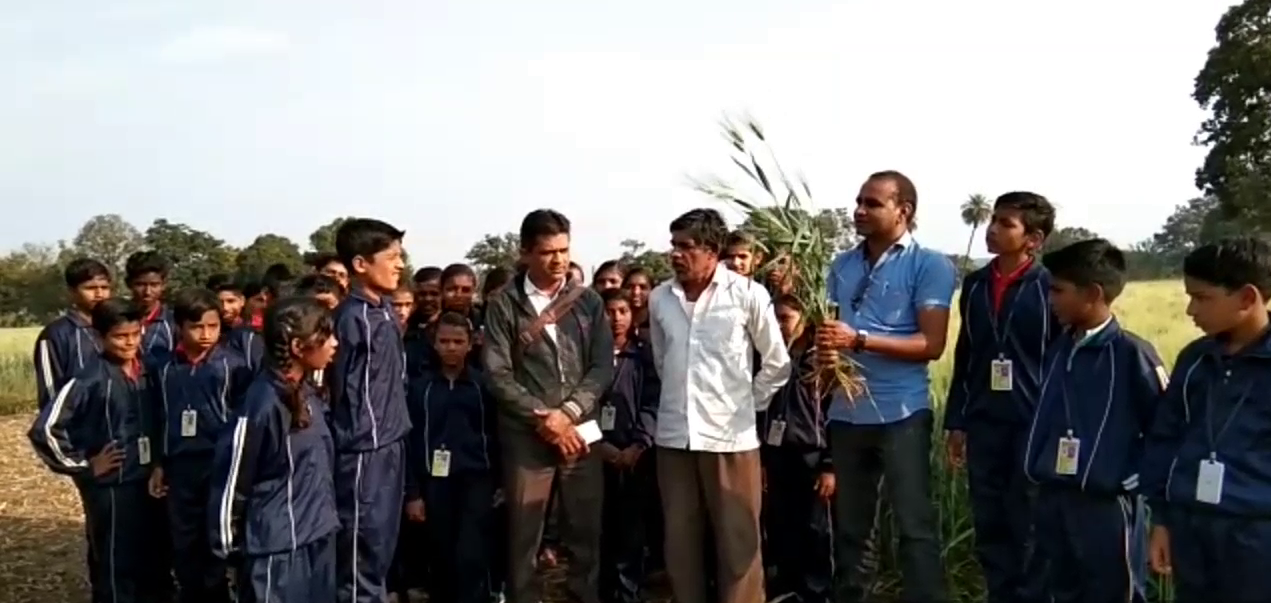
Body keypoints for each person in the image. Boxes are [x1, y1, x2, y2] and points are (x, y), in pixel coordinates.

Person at [816, 171, 956, 603]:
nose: (859, 210)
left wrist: (858, 340)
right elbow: (829, 329)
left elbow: (931, 344)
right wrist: (824, 352)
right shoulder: (841, 265)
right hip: (846, 413)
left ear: (904, 211)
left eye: (872, 203)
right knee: (853, 530)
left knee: (914, 526)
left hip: (902, 413)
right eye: (858, 201)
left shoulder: (930, 265)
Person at [648, 208, 791, 603]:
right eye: (673, 245)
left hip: (731, 441)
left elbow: (777, 363)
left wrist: (746, 403)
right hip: (675, 439)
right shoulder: (660, 298)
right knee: (680, 543)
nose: (676, 254)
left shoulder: (747, 294)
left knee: (738, 545)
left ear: (712, 251)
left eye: (686, 247)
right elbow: (663, 361)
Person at [482, 209, 614, 603]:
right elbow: (497, 374)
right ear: (525, 253)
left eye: (564, 250)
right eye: (547, 252)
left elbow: (602, 365)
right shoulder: (504, 304)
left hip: (580, 434)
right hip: (526, 436)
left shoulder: (588, 302)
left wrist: (569, 414)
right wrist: (543, 417)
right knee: (524, 538)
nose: (558, 260)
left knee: (585, 534)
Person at [1022, 239, 1162, 603]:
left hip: (1106, 503)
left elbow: (1164, 427)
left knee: (1116, 592)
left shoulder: (1132, 354)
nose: (1050, 299)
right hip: (1054, 495)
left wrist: (1130, 476)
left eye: (1058, 291)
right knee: (1061, 590)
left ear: (1094, 293)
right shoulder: (1058, 349)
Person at [942, 191, 1056, 603]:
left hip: (1034, 424)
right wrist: (956, 420)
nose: (992, 229)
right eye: (993, 220)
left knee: (1027, 525)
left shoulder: (1050, 288)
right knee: (989, 524)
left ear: (1034, 239)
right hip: (984, 421)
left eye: (1006, 223)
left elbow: (1060, 360)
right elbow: (965, 355)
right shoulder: (974, 285)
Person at [1143, 237, 1271, 601]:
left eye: (1202, 298)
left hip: (1257, 537)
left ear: (1247, 298)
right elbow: (1166, 437)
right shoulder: (1195, 359)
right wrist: (1163, 521)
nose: (1190, 310)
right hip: (1192, 530)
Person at [28, 298, 166, 603]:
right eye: (120, 336)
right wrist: (84, 466)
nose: (130, 342)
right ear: (99, 337)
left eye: (135, 333)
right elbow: (45, 429)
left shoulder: (151, 369)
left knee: (154, 563)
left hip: (150, 483)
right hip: (112, 488)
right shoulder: (88, 377)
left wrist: (158, 462)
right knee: (116, 564)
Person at [208, 297, 341, 602]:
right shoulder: (261, 404)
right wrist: (229, 552)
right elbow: (231, 483)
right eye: (325, 335)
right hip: (277, 551)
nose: (334, 343)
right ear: (297, 346)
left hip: (317, 536)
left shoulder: (308, 395)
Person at [149, 288, 254, 603]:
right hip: (179, 468)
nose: (206, 334)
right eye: (197, 327)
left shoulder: (233, 367)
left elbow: (245, 421)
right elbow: (156, 417)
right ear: (179, 326)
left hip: (220, 466)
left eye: (213, 326)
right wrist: (157, 464)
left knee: (218, 539)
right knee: (184, 541)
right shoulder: (163, 368)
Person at [329, 218, 413, 603]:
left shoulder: (383, 313)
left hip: (392, 443)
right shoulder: (352, 318)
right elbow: (338, 391)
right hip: (364, 452)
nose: (399, 265)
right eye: (391, 257)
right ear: (360, 264)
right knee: (359, 552)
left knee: (380, 549)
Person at [404, 312, 499, 603]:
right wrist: (414, 493)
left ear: (471, 344)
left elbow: (497, 436)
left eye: (458, 341)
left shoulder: (484, 387)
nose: (451, 348)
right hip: (435, 481)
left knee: (471, 554)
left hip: (476, 479)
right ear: (434, 344)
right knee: (441, 554)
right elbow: (410, 441)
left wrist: (501, 482)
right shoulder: (421, 388)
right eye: (444, 341)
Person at [760, 294, 834, 603]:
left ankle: (816, 592)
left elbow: (835, 414)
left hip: (811, 455)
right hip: (777, 454)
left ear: (804, 320)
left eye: (785, 318)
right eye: (774, 319)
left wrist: (830, 465)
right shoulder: (768, 358)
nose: (779, 325)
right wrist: (762, 459)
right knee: (781, 524)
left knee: (815, 528)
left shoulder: (823, 362)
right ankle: (788, 589)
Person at [594, 289, 660, 603]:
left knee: (632, 530)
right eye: (609, 311)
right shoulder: (588, 355)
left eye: (622, 311)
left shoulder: (644, 354)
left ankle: (628, 592)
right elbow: (579, 406)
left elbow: (653, 402)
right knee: (601, 529)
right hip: (596, 453)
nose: (616, 318)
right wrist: (598, 443)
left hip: (636, 455)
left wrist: (639, 444)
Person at [33, 258, 113, 410]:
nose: (99, 294)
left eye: (104, 287)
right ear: (72, 291)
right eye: (90, 288)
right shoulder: (55, 335)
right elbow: (50, 393)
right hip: (75, 427)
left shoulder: (115, 328)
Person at [126, 250, 176, 359]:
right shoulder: (118, 318)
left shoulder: (174, 322)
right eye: (140, 284)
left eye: (154, 285)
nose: (147, 291)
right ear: (129, 284)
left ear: (163, 285)